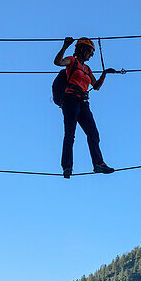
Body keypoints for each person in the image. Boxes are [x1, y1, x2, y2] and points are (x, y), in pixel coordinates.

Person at [54, 36, 119, 178]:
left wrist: (104, 74)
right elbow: (58, 62)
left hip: (83, 102)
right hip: (70, 100)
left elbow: (96, 87)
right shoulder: (72, 60)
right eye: (90, 52)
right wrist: (65, 46)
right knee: (70, 134)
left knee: (93, 133)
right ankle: (67, 167)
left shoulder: (88, 69)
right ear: (82, 49)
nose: (91, 55)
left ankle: (98, 164)